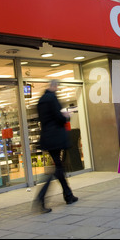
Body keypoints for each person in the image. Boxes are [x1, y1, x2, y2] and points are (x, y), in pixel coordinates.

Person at [34, 80, 78, 213]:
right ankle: (41, 197)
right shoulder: (52, 98)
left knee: (59, 166)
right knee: (58, 169)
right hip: (56, 137)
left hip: (47, 137)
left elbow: (43, 119)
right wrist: (66, 116)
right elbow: (59, 117)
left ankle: (68, 195)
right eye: (57, 86)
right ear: (54, 86)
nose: (57, 89)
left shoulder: (40, 100)